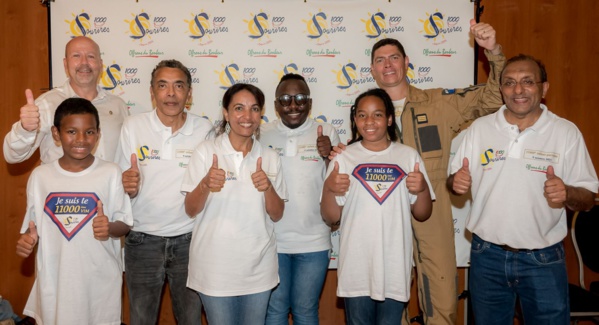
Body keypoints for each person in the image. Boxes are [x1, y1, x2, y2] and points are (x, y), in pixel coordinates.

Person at [328, 20, 506, 324]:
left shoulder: (439, 103)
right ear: (372, 69)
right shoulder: (366, 113)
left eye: (394, 57)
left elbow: (493, 97)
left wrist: (493, 52)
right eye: (380, 60)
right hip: (380, 208)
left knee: (441, 292)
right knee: (384, 294)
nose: (388, 65)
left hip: (430, 204)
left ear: (407, 63)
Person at [448, 54, 599, 324]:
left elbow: (588, 199)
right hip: (486, 256)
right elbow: (454, 180)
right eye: (509, 83)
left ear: (544, 88)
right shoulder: (480, 129)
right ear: (501, 89)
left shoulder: (566, 133)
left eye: (528, 81)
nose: (518, 90)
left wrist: (568, 192)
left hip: (543, 259)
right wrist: (455, 183)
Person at [15, 98, 133, 325]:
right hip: (55, 286)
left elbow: (125, 224)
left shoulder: (111, 172)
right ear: (56, 134)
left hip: (100, 287)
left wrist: (108, 227)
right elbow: (32, 229)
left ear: (98, 134)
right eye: (71, 131)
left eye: (89, 132)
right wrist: (27, 241)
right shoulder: (41, 176)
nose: (81, 139)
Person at [321, 88, 434, 324]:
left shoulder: (408, 156)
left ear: (390, 119)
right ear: (355, 120)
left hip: (395, 267)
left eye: (377, 115)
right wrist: (329, 189)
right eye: (362, 115)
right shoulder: (343, 158)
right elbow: (331, 217)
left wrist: (422, 189)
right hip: (356, 268)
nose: (369, 121)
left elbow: (422, 214)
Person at [116, 59, 212, 325]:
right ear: (152, 91)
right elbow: (120, 183)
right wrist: (126, 185)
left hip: (190, 241)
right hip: (142, 241)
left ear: (189, 93)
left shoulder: (204, 130)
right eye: (163, 86)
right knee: (141, 319)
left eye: (178, 86)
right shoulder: (132, 127)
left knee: (191, 319)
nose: (171, 93)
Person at [181, 83, 287, 324]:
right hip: (214, 269)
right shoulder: (206, 152)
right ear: (226, 113)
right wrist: (206, 183)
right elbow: (190, 209)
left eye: (254, 109)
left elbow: (278, 214)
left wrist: (268, 187)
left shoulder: (270, 157)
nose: (247, 116)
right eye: (239, 108)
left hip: (258, 269)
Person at [260, 73, 340, 324]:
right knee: (275, 310)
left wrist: (329, 156)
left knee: (306, 310)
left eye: (300, 98)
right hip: (272, 240)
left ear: (310, 102)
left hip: (314, 242)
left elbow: (339, 185)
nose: (293, 105)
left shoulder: (326, 132)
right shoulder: (261, 134)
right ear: (275, 105)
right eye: (285, 99)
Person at [3, 36, 128, 164]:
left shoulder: (118, 106)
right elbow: (12, 156)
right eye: (76, 56)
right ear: (65, 64)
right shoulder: (47, 104)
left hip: (110, 184)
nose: (84, 62)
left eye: (91, 56)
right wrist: (25, 130)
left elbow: (126, 158)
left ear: (100, 64)